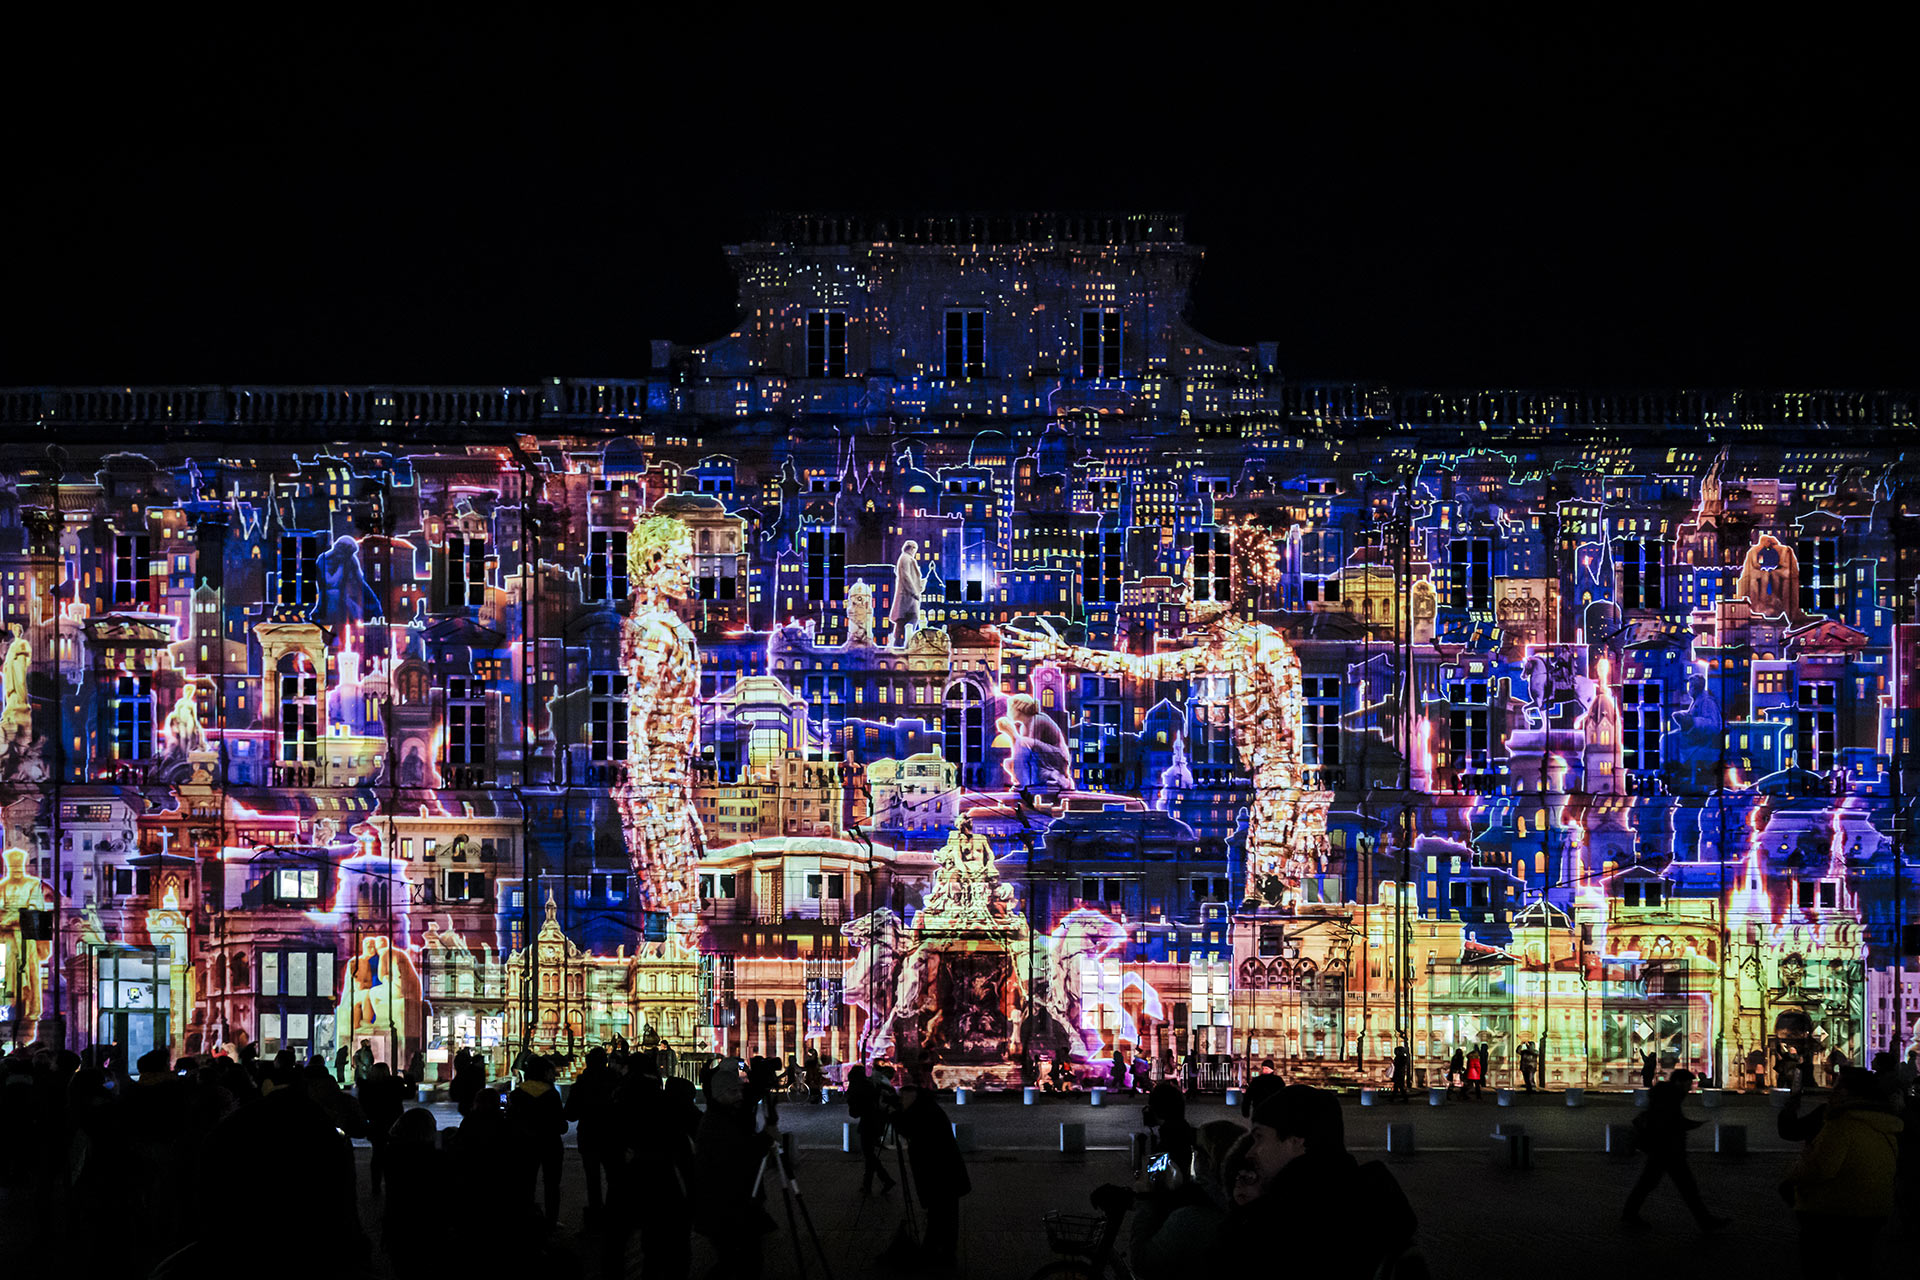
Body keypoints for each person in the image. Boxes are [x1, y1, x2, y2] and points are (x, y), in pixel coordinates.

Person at [1210, 1085, 1418, 1277]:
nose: (1250, 1152)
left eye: (1260, 1137)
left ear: (1296, 1142)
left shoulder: (1281, 1230)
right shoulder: (1372, 1202)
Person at [1782, 1067, 1902, 1277]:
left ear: (1846, 1093)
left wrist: (1794, 1172)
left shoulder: (1840, 1124)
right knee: (1857, 1266)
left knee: (1820, 1267)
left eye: (1836, 1089)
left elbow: (1818, 1169)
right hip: (1874, 1211)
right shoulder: (1886, 1122)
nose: (1832, 1094)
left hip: (1835, 1214)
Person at [1622, 1070, 1731, 1232]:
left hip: (1663, 1150)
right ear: (1680, 1082)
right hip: (1667, 1150)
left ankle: (1629, 1214)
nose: (1691, 1088)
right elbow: (1668, 1122)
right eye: (1689, 1083)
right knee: (1683, 1187)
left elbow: (1667, 1119)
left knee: (1652, 1184)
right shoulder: (1670, 1096)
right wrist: (1688, 1125)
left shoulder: (1666, 1094)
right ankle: (1706, 1222)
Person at [693, 1061, 772, 1280]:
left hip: (730, 1204)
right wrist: (762, 1142)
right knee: (737, 1261)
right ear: (720, 1094)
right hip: (725, 1206)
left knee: (737, 1260)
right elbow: (737, 1156)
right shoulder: (716, 1123)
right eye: (734, 1091)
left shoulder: (726, 1116)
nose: (740, 1095)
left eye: (740, 1089)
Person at [894, 1083, 972, 1268]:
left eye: (903, 1099)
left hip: (942, 1173)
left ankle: (940, 1253)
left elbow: (908, 1129)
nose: (902, 1102)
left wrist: (893, 1116)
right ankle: (939, 1251)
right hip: (942, 1173)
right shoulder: (925, 1107)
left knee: (942, 1214)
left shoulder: (924, 1111)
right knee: (942, 1215)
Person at [507, 1055, 567, 1230]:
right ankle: (551, 1220)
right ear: (545, 1072)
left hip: (525, 1145)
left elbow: (512, 1120)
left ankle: (526, 1217)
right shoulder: (550, 1094)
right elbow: (561, 1124)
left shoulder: (518, 1093)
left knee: (526, 1182)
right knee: (552, 1185)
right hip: (550, 1145)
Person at [566, 1045, 619, 1230]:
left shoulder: (581, 1084)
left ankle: (595, 1214)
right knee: (614, 1177)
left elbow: (571, 1113)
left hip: (589, 1134)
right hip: (612, 1135)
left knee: (592, 1178)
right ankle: (614, 1213)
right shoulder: (616, 1082)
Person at [846, 1064, 897, 1195]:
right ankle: (868, 1184)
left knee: (869, 1154)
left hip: (869, 1122)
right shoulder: (870, 1084)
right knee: (869, 1154)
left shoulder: (858, 1086)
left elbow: (855, 1111)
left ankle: (885, 1180)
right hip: (877, 1122)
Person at [358, 1061, 406, 1196]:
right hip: (393, 1122)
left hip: (375, 1123)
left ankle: (376, 1185)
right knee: (394, 1155)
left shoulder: (367, 1086)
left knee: (377, 1154)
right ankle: (393, 1185)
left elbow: (362, 1104)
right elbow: (408, 1094)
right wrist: (408, 1078)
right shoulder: (394, 1084)